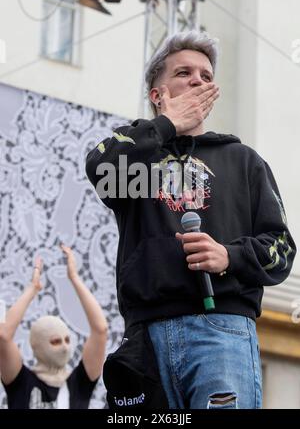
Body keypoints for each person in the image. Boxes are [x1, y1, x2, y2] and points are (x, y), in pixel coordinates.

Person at [85, 31, 296, 409]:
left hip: (223, 332)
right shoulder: (134, 155)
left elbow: (281, 250)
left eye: (207, 75)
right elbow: (100, 170)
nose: (199, 80)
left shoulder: (243, 160)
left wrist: (229, 256)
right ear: (157, 95)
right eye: (184, 73)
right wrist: (166, 124)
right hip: (145, 339)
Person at [0, 245, 108, 409]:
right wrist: (32, 288)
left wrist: (74, 277)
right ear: (37, 345)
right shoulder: (20, 383)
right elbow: (3, 335)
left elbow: (101, 329)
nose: (65, 347)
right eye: (56, 341)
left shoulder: (79, 384)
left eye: (67, 340)